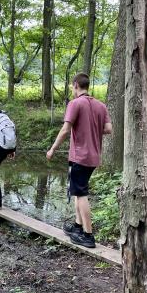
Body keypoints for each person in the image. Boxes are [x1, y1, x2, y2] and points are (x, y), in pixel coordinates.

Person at [46, 73, 112, 248]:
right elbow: (108, 129)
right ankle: (77, 226)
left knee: (81, 194)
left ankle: (88, 235)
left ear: (76, 85)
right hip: (93, 157)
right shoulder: (101, 105)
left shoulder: (75, 104)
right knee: (77, 189)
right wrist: (92, 127)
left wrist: (52, 149)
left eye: (71, 86)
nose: (72, 89)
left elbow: (65, 130)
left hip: (80, 157)